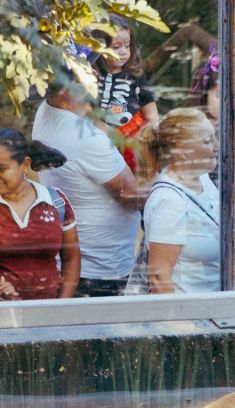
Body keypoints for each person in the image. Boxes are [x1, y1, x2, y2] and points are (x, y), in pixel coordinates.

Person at [32, 86, 142, 297]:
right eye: (85, 68)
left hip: (76, 259)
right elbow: (134, 198)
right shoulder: (89, 140)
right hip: (101, 269)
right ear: (65, 89)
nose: (93, 73)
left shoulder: (47, 109)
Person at [136, 108, 221, 294]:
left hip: (216, 310)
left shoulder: (204, 180)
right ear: (183, 150)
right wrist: (178, 322)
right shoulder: (170, 200)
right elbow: (159, 278)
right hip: (191, 317)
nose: (217, 146)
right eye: (208, 141)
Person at [0, 129, 80, 300]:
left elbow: (71, 258)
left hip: (47, 314)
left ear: (25, 165)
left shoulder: (55, 201)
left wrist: (62, 305)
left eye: (2, 169)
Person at [92, 16, 159, 135]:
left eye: (127, 46)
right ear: (99, 47)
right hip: (95, 132)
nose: (124, 51)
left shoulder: (135, 74)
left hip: (131, 135)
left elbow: (150, 110)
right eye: (116, 47)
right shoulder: (91, 73)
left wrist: (151, 134)